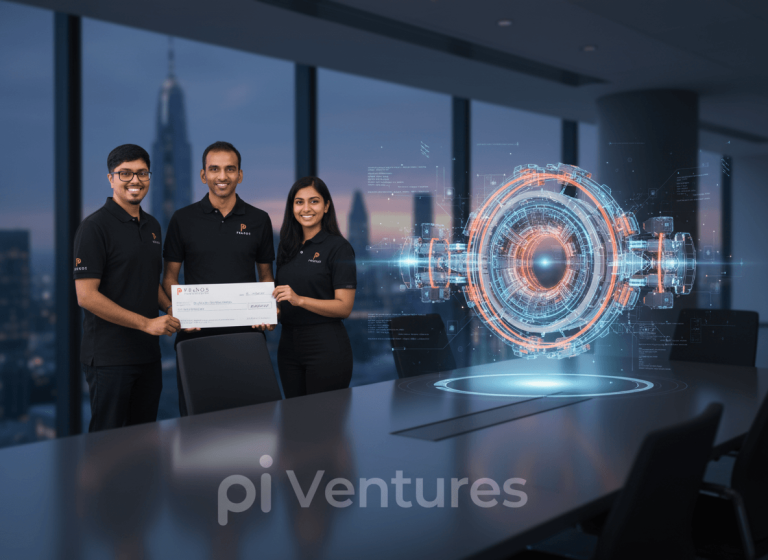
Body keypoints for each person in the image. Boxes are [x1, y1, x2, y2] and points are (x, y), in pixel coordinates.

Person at [162, 141, 275, 416]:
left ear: (240, 174)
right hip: (195, 337)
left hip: (247, 337)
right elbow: (169, 278)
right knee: (196, 425)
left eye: (229, 169)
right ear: (203, 175)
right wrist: (182, 313)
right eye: (214, 169)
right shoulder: (182, 219)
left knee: (253, 422)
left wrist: (268, 310)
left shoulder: (259, 219)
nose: (222, 177)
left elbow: (266, 276)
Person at [74, 144, 180, 432]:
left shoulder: (153, 226)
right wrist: (146, 324)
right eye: (126, 173)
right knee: (107, 443)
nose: (135, 180)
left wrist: (171, 308)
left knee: (143, 438)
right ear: (111, 178)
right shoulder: (94, 227)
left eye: (142, 173)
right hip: (110, 358)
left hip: (148, 355)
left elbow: (149, 283)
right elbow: (86, 296)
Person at [273, 176, 356, 397]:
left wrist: (299, 300)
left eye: (314, 201)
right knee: (295, 422)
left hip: (326, 346)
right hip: (288, 346)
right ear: (292, 207)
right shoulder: (286, 247)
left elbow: (344, 307)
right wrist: (271, 314)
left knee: (324, 425)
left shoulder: (339, 248)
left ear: (327, 206)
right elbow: (279, 298)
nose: (306, 208)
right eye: (299, 202)